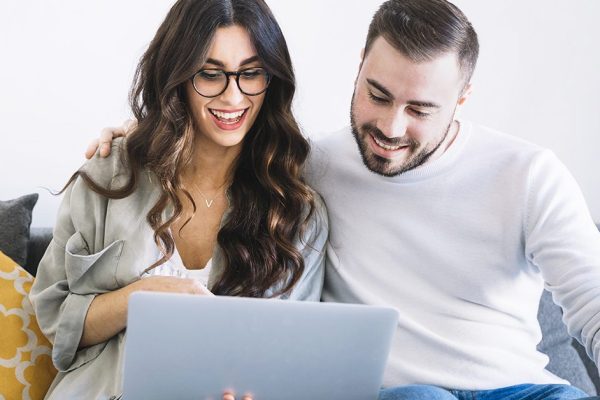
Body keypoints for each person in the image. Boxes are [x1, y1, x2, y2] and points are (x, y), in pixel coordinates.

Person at [90, 0, 600, 399]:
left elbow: (592, 304)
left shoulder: (529, 174)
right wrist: (143, 131)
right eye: (377, 95)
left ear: (463, 97)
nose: (391, 129)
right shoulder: (309, 169)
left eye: (420, 108)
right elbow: (215, 136)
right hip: (402, 394)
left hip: (523, 389)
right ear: (359, 68)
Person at [29, 0, 328, 399]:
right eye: (210, 74)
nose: (233, 96)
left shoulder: (298, 212)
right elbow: (56, 319)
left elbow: (298, 362)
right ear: (178, 76)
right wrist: (140, 297)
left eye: (251, 73)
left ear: (271, 79)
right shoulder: (110, 174)